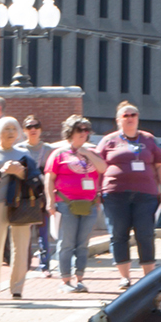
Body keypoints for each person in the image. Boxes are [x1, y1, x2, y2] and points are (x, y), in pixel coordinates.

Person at [97, 103, 161, 281]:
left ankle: (148, 277)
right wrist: (96, 192)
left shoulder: (149, 139)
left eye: (133, 115)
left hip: (146, 195)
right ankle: (125, 277)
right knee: (118, 234)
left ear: (138, 117)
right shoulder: (108, 141)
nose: (129, 118)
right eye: (125, 115)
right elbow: (97, 167)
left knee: (145, 233)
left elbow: (160, 166)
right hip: (114, 194)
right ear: (118, 120)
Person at [0, 115, 48, 299]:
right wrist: (3, 171)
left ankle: (17, 287)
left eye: (14, 129)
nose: (11, 132)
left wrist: (21, 172)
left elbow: (37, 181)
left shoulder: (23, 155)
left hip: (21, 204)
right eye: (6, 129)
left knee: (21, 247)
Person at [47, 117, 106, 291]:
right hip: (66, 203)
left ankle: (79, 278)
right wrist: (50, 202)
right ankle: (65, 280)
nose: (83, 133)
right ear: (70, 132)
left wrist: (86, 153)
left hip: (89, 204)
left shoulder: (92, 152)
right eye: (79, 130)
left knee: (82, 243)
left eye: (86, 130)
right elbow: (49, 178)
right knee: (66, 242)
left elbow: (102, 168)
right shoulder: (59, 153)